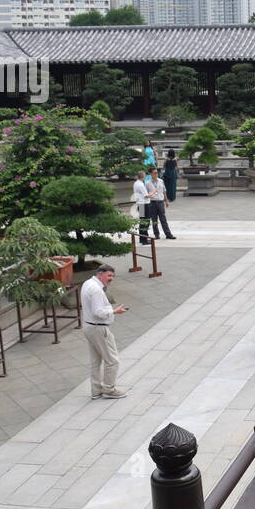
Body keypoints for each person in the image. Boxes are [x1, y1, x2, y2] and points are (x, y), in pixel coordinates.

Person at [81, 266, 128, 399]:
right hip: (98, 328)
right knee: (113, 360)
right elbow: (98, 312)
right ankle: (109, 389)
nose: (111, 279)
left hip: (89, 327)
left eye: (112, 276)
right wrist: (114, 311)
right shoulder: (96, 289)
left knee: (95, 361)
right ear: (100, 275)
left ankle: (96, 391)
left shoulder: (87, 283)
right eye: (109, 276)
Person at [144, 168, 176, 240]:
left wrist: (166, 201)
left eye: (157, 173)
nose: (156, 174)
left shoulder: (161, 181)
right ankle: (156, 235)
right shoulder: (147, 183)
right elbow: (146, 194)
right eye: (154, 173)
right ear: (151, 174)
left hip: (161, 202)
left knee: (163, 219)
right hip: (152, 203)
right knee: (154, 220)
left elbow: (164, 191)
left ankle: (168, 234)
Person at [131, 170, 150, 245]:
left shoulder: (136, 183)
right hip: (144, 205)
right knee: (146, 221)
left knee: (142, 221)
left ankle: (143, 238)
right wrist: (154, 192)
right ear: (143, 176)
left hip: (140, 204)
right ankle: (144, 238)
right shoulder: (141, 185)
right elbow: (146, 195)